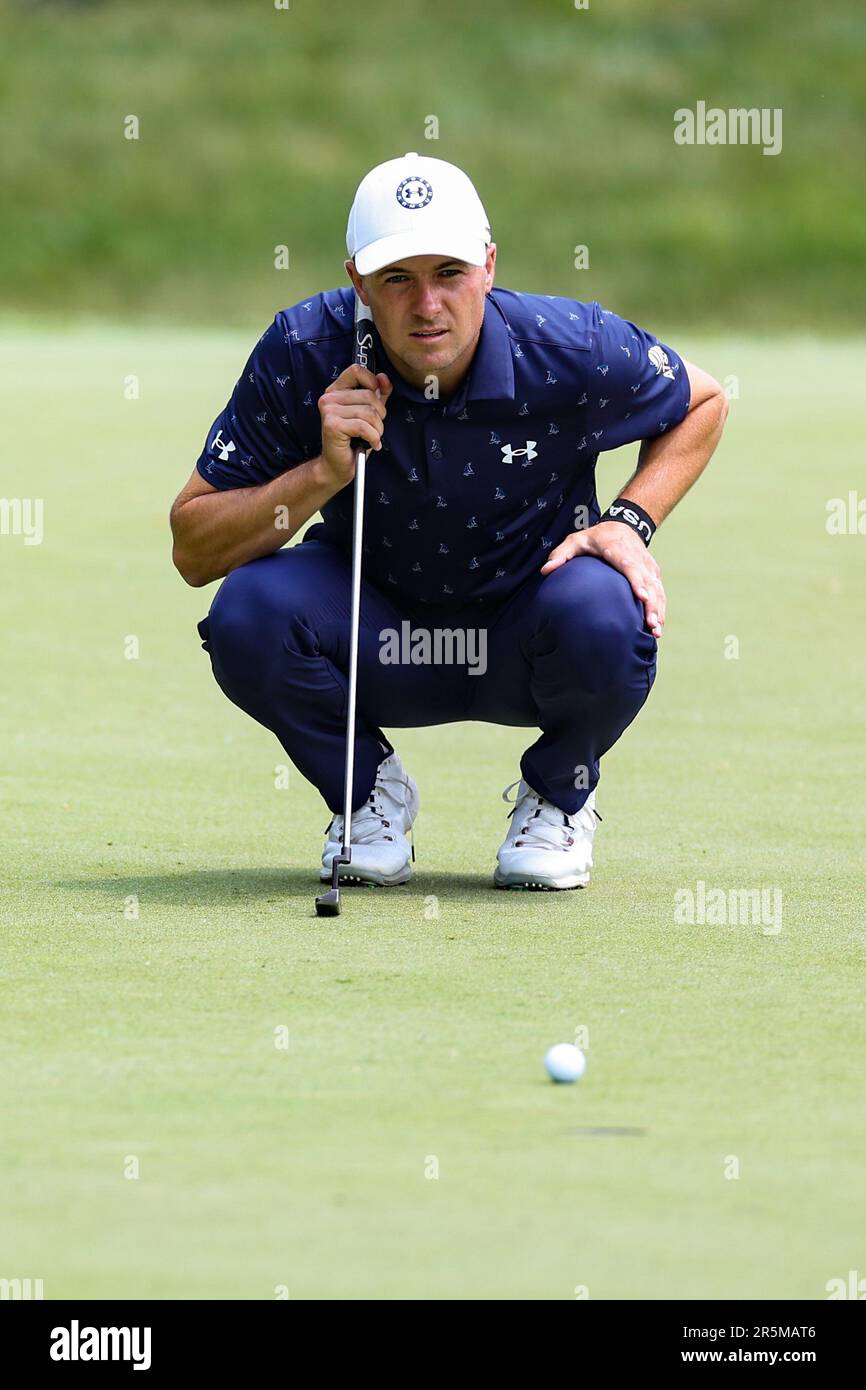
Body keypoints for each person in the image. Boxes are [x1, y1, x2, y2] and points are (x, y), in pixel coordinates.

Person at [170, 153, 728, 891]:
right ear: (358, 282)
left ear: (489, 267)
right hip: (377, 638)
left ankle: (559, 795)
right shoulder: (305, 351)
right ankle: (366, 792)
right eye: (397, 278)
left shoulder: (569, 347)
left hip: (528, 635)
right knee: (249, 612)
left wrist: (630, 519)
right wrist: (322, 472)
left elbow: (703, 400)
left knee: (610, 607)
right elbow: (193, 547)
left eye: (450, 273)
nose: (426, 304)